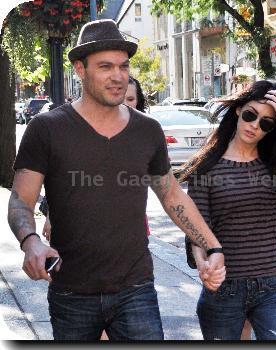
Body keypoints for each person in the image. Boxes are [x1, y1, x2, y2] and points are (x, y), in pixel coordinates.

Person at [7, 19, 225, 341]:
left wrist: (211, 245)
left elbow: (172, 196)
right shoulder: (47, 129)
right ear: (80, 69)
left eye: (123, 66)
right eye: (105, 66)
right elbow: (20, 201)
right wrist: (31, 241)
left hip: (135, 289)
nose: (118, 76)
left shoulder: (147, 130)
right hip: (72, 291)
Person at [179, 80, 276, 340]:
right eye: (251, 115)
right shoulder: (207, 167)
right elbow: (196, 228)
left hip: (272, 283)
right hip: (224, 286)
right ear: (239, 110)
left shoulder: (274, 163)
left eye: (266, 123)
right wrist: (203, 264)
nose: (255, 125)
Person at [41, 76, 150, 241]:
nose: (124, 103)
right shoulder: (82, 132)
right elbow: (63, 180)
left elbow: (166, 188)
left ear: (138, 102)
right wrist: (51, 216)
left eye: (130, 99)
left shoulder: (146, 135)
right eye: (120, 97)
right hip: (82, 226)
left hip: (130, 227)